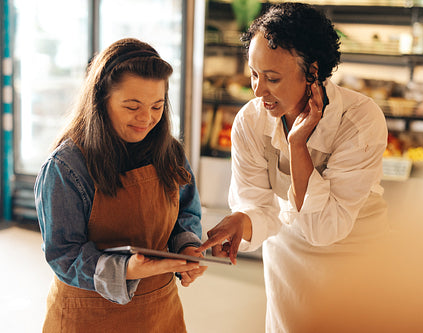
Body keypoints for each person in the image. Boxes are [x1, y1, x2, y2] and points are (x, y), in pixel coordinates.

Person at [196, 3, 389, 332]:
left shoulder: (359, 121)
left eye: (272, 78)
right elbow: (259, 205)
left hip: (355, 260)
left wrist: (297, 146)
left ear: (312, 72)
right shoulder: (251, 121)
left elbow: (324, 229)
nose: (258, 91)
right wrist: (241, 220)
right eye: (254, 74)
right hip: (288, 258)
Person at [34, 38, 207, 332]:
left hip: (159, 311)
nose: (146, 118)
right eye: (132, 106)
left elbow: (185, 214)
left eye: (157, 106)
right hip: (88, 315)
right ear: (101, 100)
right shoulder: (66, 167)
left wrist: (188, 247)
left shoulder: (170, 152)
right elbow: (64, 254)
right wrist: (124, 270)